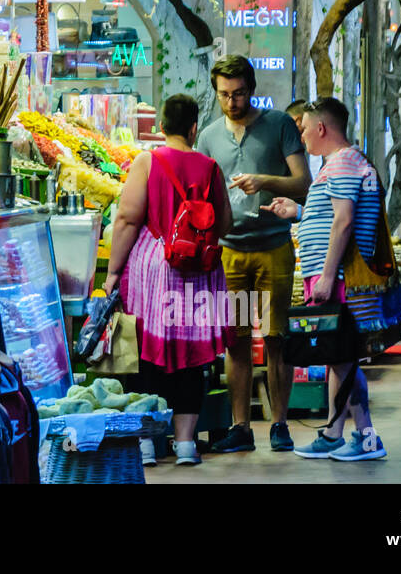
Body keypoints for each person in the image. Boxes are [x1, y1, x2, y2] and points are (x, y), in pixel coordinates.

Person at [104, 94, 233, 467]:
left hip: (153, 271)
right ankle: (187, 445)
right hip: (199, 272)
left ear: (161, 127)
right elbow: (224, 224)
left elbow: (127, 219)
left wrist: (113, 273)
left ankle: (146, 445)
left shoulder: (148, 160)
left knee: (147, 355)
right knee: (191, 358)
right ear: (195, 128)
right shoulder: (210, 167)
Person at [197, 55, 311, 453]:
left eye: (240, 93)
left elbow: (304, 184)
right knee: (238, 341)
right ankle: (241, 426)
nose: (232, 101)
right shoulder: (209, 137)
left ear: (252, 89)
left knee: (277, 337)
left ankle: (280, 424)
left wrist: (264, 180)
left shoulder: (279, 125)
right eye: (225, 94)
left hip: (274, 249)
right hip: (231, 253)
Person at [266, 98, 387, 461]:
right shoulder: (338, 164)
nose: (301, 136)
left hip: (337, 278)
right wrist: (299, 212)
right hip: (330, 275)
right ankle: (337, 434)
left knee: (343, 356)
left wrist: (327, 275)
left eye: (303, 128)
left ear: (320, 128)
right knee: (340, 357)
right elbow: (332, 214)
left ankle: (364, 438)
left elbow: (344, 221)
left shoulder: (344, 162)